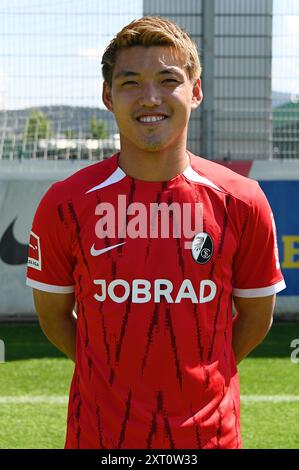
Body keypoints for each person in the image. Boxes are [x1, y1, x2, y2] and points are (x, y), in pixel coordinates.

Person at [26, 16, 286, 449]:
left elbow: (257, 320)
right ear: (108, 96)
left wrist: (202, 377)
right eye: (131, 83)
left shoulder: (242, 200)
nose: (150, 98)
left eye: (168, 80)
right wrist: (107, 373)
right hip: (99, 439)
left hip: (210, 441)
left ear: (196, 92)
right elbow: (54, 316)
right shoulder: (66, 203)